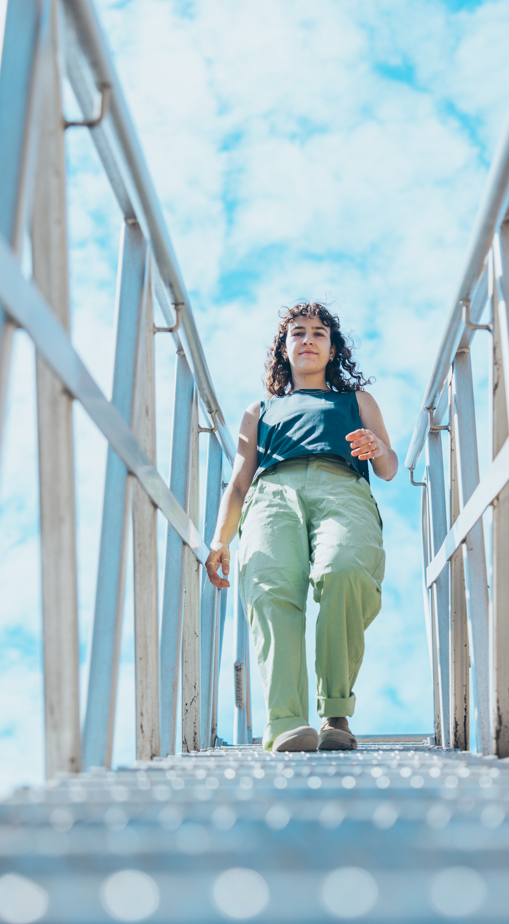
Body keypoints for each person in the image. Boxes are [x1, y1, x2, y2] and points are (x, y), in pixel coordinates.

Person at [205, 302, 398, 752]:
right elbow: (238, 480)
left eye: (318, 333)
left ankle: (336, 712)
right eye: (297, 333)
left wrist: (377, 448)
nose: (308, 339)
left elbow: (388, 468)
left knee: (345, 569)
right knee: (271, 590)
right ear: (284, 348)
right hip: (273, 492)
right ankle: (287, 720)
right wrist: (220, 539)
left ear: (332, 350)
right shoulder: (260, 410)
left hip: (341, 486)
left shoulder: (357, 402)